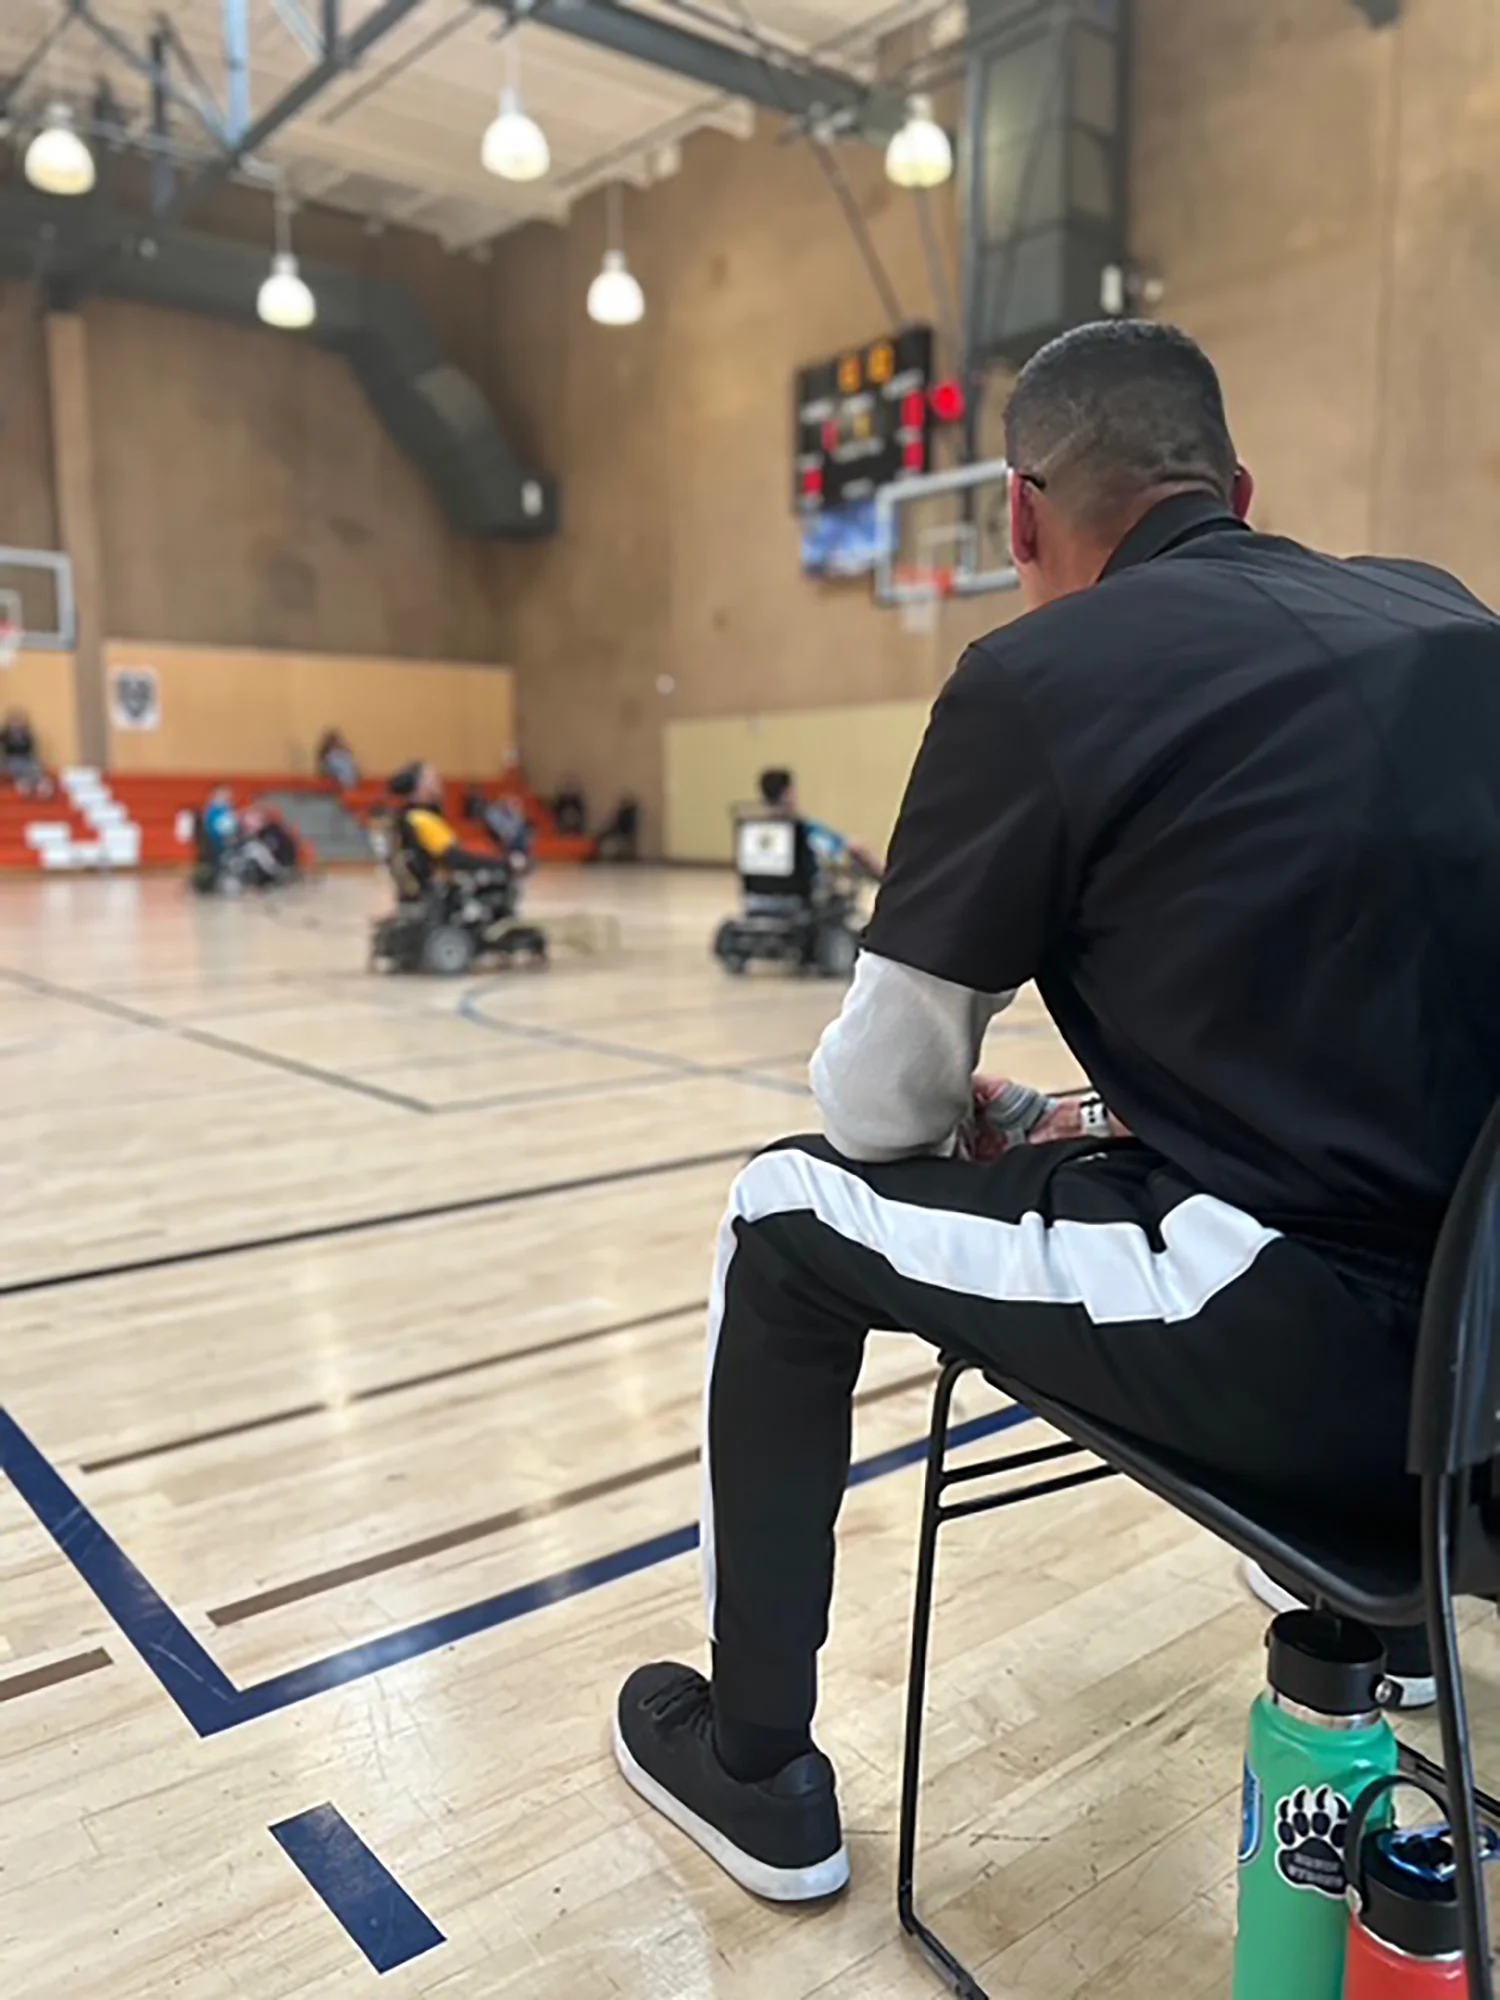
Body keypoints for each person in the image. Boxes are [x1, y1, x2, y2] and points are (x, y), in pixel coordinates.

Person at [611, 319, 1500, 1904]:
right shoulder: (1447, 615)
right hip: (1485, 1398)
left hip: (1326, 1374)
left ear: (1017, 517)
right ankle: (1401, 1623)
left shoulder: (1035, 677)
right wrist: (1087, 1128)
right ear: (1238, 488)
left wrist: (967, 1114)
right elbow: (1381, 1042)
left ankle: (753, 1769)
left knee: (785, 1208)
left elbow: (883, 1107)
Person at [387, 761, 504, 893]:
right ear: (419, 786)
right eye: (434, 779)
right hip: (438, 894)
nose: (440, 782)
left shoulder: (411, 815)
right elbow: (454, 859)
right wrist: (499, 865)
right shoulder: (422, 818)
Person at [753, 768, 883, 884]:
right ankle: (889, 883)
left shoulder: (754, 829)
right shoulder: (799, 828)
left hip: (763, 891)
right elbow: (828, 845)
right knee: (860, 849)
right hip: (801, 885)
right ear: (788, 794)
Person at [0, 708, 52, 798]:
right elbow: (2, 752)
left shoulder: (27, 735)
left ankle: (40, 785)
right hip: (9, 761)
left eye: (19, 721)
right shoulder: (4, 735)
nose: (17, 724)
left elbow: (32, 752)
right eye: (15, 721)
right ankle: (25, 785)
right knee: (18, 765)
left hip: (26, 761)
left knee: (34, 766)